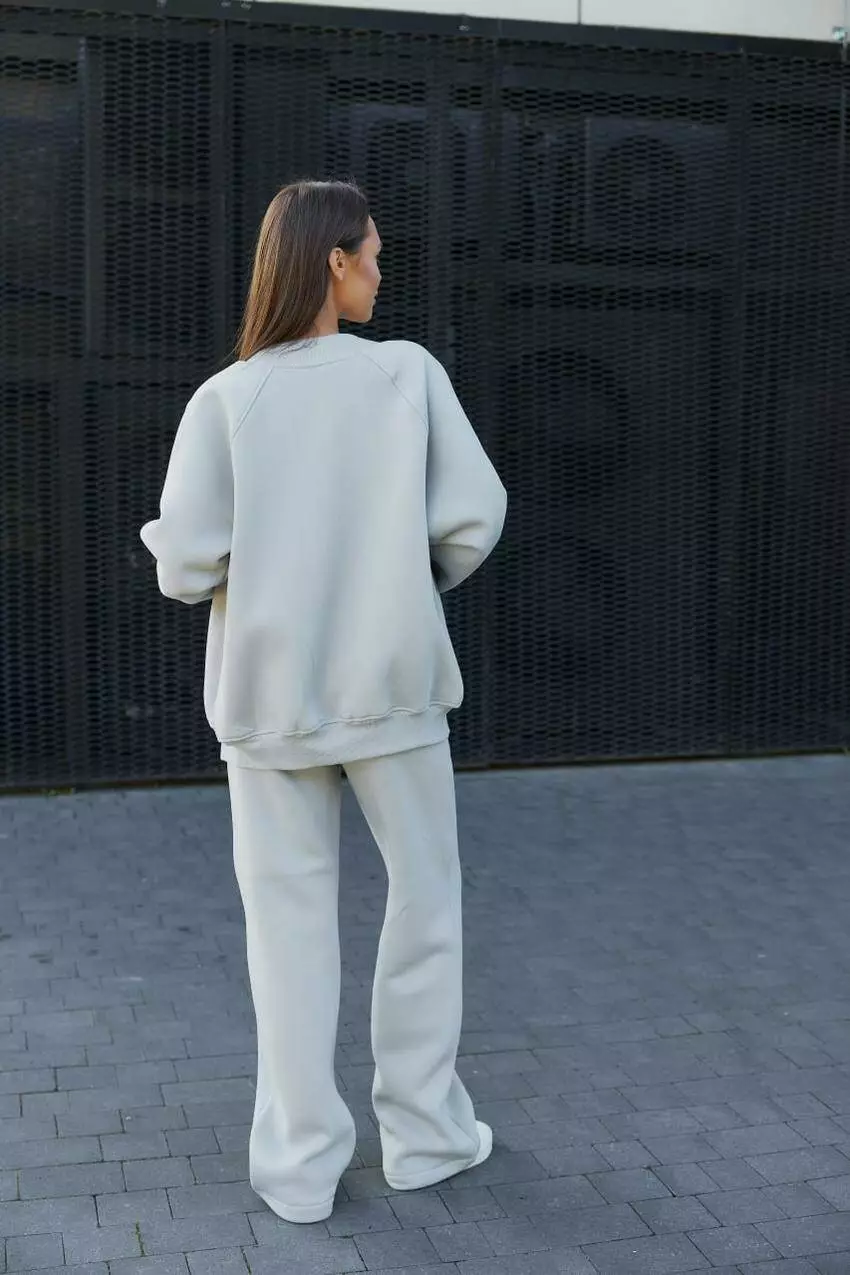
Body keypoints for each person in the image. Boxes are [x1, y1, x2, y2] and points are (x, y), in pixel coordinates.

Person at [139, 179, 507, 1224]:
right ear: (334, 260)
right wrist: (399, 586)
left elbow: (185, 565)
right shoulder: (406, 375)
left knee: (286, 931)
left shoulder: (226, 398)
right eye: (373, 255)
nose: (382, 274)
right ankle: (426, 1137)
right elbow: (472, 518)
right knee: (426, 902)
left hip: (268, 703)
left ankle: (300, 1167)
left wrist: (258, 576)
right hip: (392, 690)